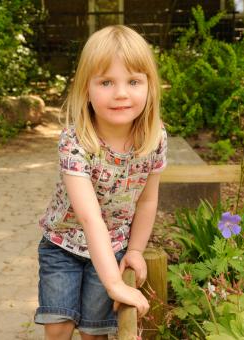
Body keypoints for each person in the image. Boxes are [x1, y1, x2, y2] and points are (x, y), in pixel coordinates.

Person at [34, 24, 167, 339]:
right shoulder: (75, 141)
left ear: (150, 87)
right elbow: (88, 217)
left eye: (133, 81)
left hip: (114, 246)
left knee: (95, 333)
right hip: (62, 245)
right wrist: (116, 285)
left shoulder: (155, 137)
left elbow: (148, 200)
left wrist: (134, 250)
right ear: (86, 89)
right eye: (106, 82)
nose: (121, 93)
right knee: (59, 327)